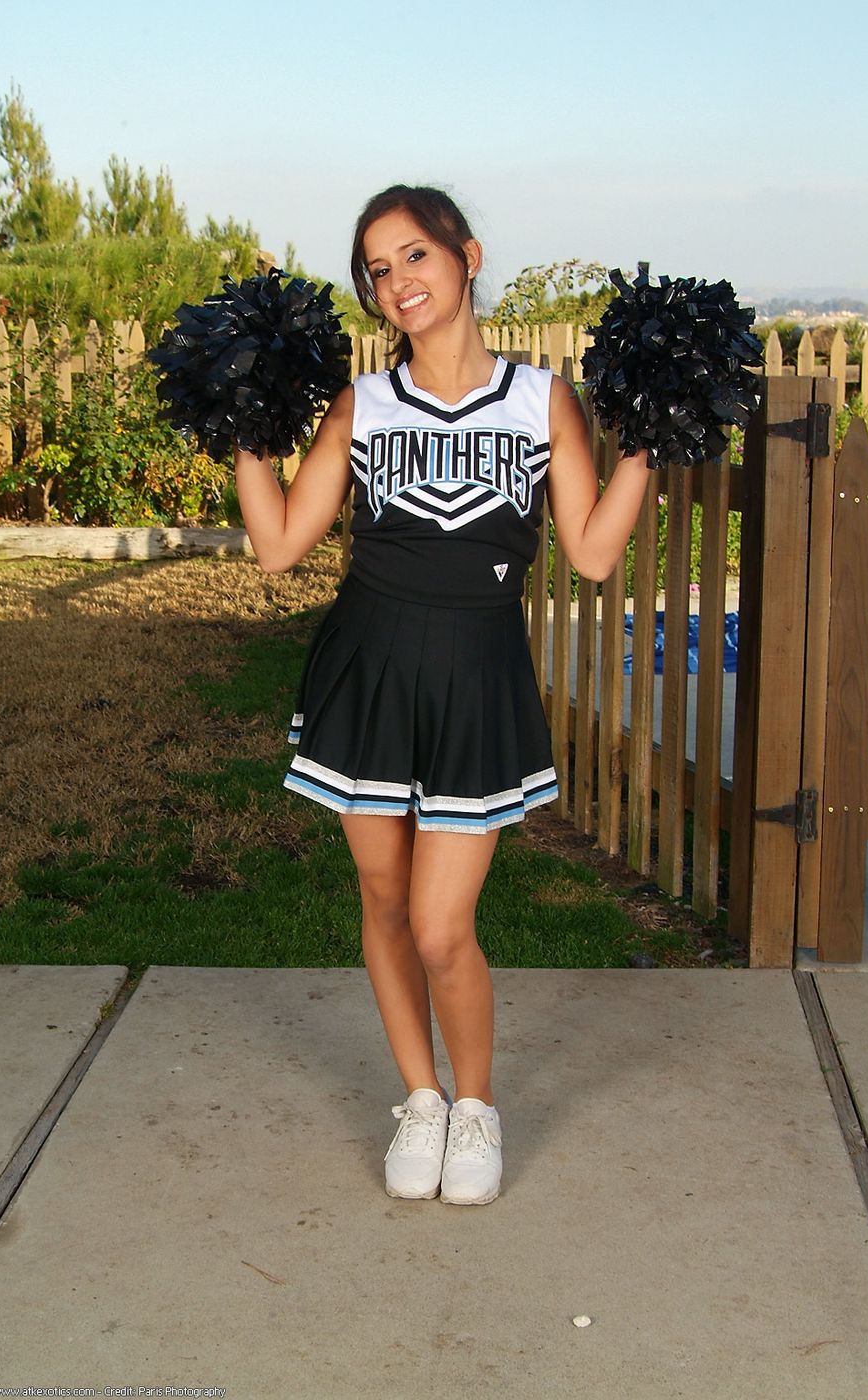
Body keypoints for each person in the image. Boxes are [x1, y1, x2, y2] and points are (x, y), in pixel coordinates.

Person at [234, 184, 649, 1206]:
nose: (398, 282)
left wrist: (651, 437)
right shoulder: (362, 406)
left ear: (466, 255)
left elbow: (593, 553)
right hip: (368, 669)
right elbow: (279, 544)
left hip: (475, 675)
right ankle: (421, 1097)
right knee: (382, 899)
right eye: (378, 269)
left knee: (438, 925)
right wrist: (238, 426)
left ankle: (478, 1104)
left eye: (414, 254)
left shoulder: (540, 400)